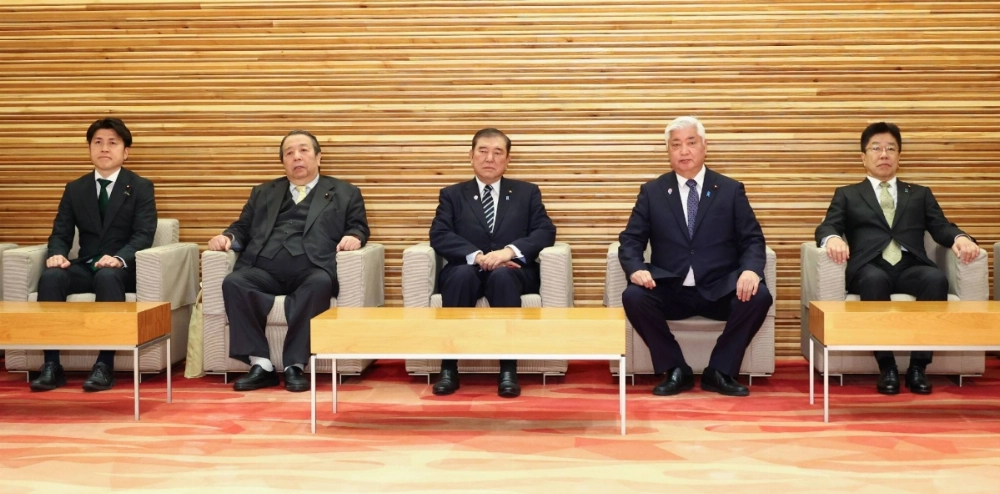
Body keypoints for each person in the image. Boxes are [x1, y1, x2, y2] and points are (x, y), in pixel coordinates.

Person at [815, 121, 979, 395]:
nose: (884, 154)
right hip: (869, 266)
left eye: (891, 149)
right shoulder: (848, 194)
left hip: (909, 266)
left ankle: (918, 367)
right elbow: (828, 225)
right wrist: (831, 239)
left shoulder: (919, 194)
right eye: (876, 148)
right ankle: (887, 366)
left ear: (899, 157)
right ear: (863, 157)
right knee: (874, 280)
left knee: (935, 279)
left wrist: (960, 238)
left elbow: (940, 226)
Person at [618, 116, 771, 397]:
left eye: (690, 142)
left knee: (759, 295)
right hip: (671, 288)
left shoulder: (730, 189)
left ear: (704, 146)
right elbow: (631, 240)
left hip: (719, 288)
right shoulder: (652, 192)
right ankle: (676, 369)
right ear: (668, 151)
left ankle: (720, 370)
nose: (684, 151)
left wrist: (750, 271)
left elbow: (752, 239)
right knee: (634, 296)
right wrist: (636, 268)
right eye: (676, 144)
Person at [207, 130, 370, 393]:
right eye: (289, 153)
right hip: (265, 267)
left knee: (319, 283)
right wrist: (228, 237)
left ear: (319, 157)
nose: (297, 157)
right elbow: (242, 227)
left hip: (311, 267)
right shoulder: (263, 192)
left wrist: (355, 236)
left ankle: (295, 364)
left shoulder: (345, 192)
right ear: (283, 161)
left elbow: (358, 226)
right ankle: (261, 365)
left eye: (304, 150)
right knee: (235, 282)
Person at [30, 117, 158, 392]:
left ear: (125, 152)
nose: (104, 148)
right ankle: (51, 364)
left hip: (121, 269)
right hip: (86, 264)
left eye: (113, 143)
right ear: (89, 149)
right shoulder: (76, 188)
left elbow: (143, 234)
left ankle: (104, 365)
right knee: (51, 277)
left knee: (107, 277)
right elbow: (61, 232)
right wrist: (57, 254)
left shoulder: (140, 186)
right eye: (98, 142)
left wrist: (119, 258)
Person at [428, 128, 556, 398]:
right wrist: (476, 256)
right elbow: (439, 234)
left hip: (513, 271)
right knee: (461, 276)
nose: (490, 158)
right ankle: (448, 367)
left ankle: (508, 369)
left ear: (508, 160)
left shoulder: (527, 192)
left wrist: (509, 252)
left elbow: (545, 231)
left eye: (498, 152)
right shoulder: (452, 194)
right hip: (465, 268)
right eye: (483, 151)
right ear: (471, 156)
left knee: (502, 277)